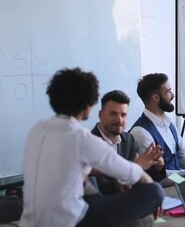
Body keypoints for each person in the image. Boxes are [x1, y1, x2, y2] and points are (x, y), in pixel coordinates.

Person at [19, 67, 164, 227]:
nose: (119, 119)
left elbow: (72, 166)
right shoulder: (81, 137)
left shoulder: (37, 129)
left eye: (123, 115)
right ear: (90, 104)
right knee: (155, 191)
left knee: (90, 191)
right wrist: (153, 191)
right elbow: (135, 174)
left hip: (31, 221)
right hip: (72, 221)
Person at [90, 90, 164, 193]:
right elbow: (99, 189)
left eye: (123, 115)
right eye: (113, 114)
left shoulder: (129, 139)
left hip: (134, 197)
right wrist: (134, 168)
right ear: (101, 115)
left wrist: (158, 167)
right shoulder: (89, 143)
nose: (119, 120)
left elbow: (144, 177)